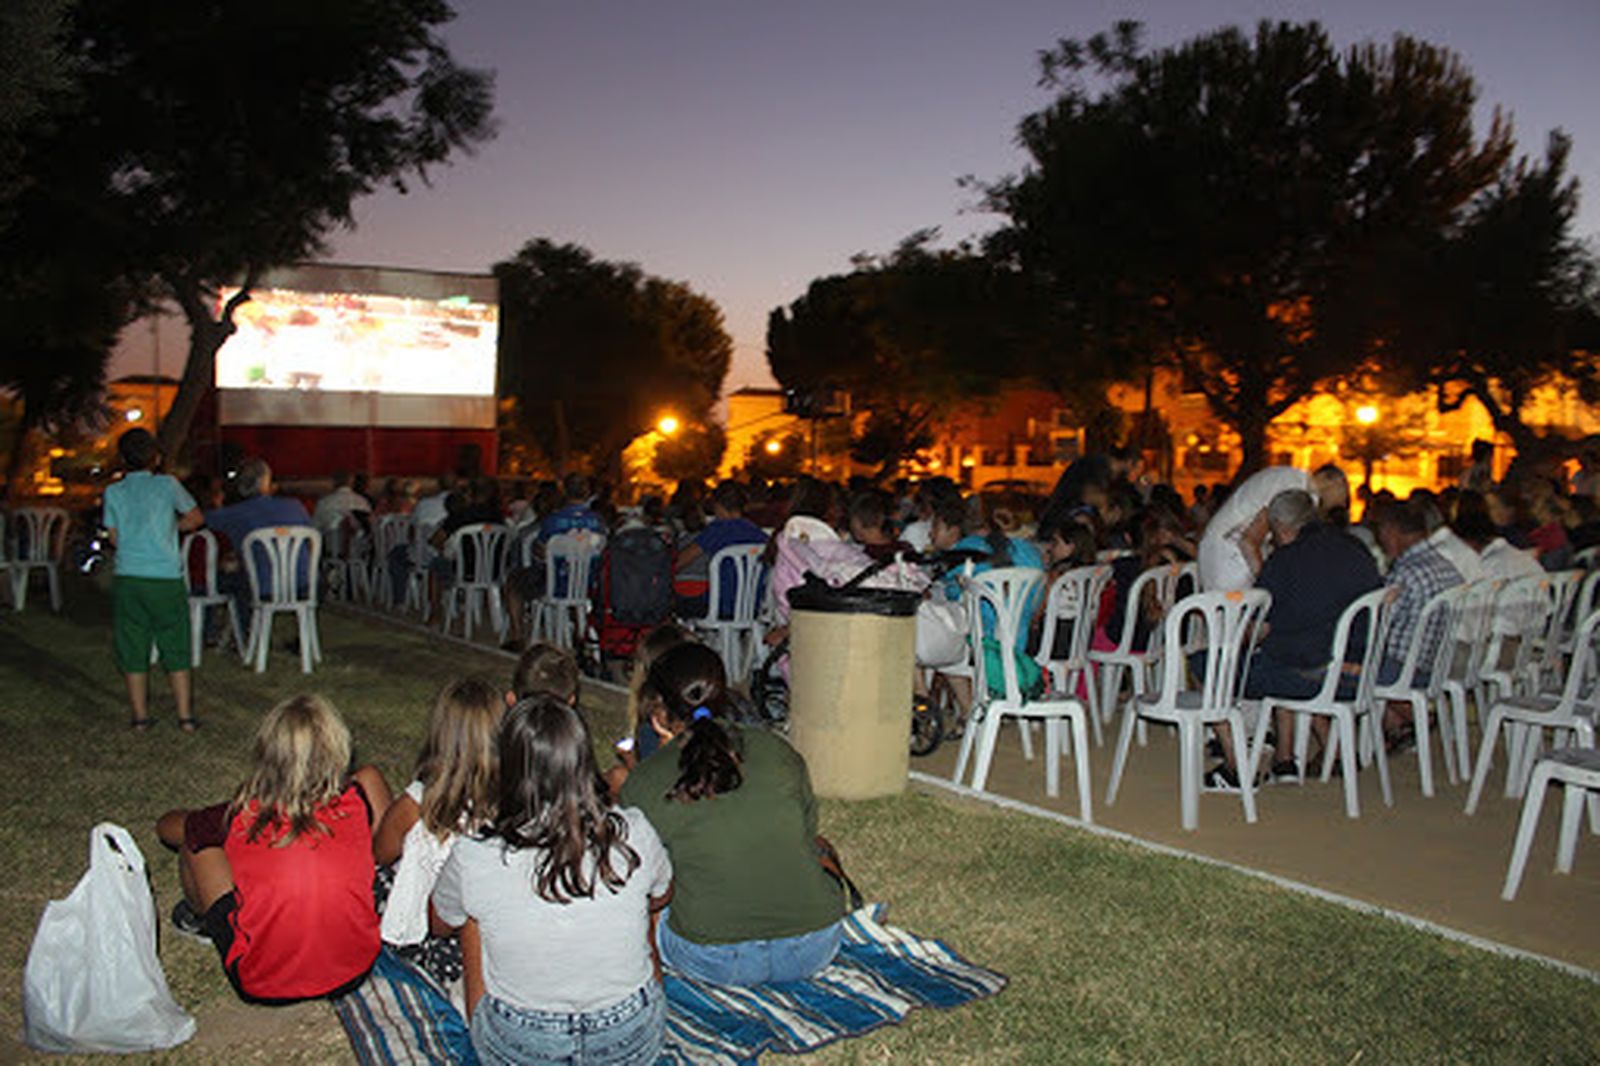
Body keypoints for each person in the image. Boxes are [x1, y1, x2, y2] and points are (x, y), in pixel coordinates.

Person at [433, 695, 671, 1065]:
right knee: (639, 907)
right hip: (630, 1034)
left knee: (473, 918)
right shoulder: (634, 831)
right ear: (582, 760)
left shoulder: (475, 853)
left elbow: (441, 922)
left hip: (520, 1039)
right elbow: (661, 896)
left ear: (508, 768)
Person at [619, 643, 846, 985]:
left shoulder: (644, 781)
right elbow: (809, 836)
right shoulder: (778, 751)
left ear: (660, 715)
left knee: (645, 899)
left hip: (713, 958)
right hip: (814, 946)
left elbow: (643, 878)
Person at [156, 695, 392, 1003]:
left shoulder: (242, 815)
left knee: (199, 845)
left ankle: (198, 919)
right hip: (354, 969)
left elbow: (166, 828)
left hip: (263, 983)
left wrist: (202, 821)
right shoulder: (358, 798)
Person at [1202, 490, 1382, 790]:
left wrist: (1229, 638)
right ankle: (1286, 759)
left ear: (1282, 529)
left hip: (1313, 676)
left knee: (1210, 665)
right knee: (1284, 650)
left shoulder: (1286, 560)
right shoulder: (1354, 547)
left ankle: (1235, 770)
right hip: (1362, 673)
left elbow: (1258, 627)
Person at [372, 678, 504, 991]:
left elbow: (379, 854)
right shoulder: (518, 803)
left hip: (435, 942)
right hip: (494, 942)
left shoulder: (416, 803)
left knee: (380, 874)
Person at [102, 428, 204, 731]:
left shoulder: (113, 492)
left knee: (132, 644)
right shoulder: (167, 485)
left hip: (129, 577)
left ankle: (140, 717)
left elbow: (114, 537)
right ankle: (185, 716)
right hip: (164, 577)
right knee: (175, 641)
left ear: (122, 458)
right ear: (156, 458)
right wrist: (170, 529)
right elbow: (196, 518)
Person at [1370, 498, 1463, 747]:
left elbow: (1377, 626)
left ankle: (1417, 717)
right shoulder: (1448, 568)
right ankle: (1397, 729)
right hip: (1435, 664)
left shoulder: (1406, 573)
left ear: (1391, 532)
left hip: (1404, 668)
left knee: (1340, 665)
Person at [1197, 464, 1349, 591]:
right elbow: (1249, 541)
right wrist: (1268, 584)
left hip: (1233, 550)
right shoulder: (1291, 486)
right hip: (1228, 553)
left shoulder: (1296, 483)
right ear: (1333, 482)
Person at [204, 457, 313, 621]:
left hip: (262, 587)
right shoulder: (295, 506)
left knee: (218, 578)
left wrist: (216, 502)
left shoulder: (233, 513)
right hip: (304, 585)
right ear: (265, 481)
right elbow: (311, 542)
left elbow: (200, 521)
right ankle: (301, 635)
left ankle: (242, 633)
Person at [672, 480, 767, 618]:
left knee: (673, 604)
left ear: (719, 507)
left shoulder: (717, 530)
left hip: (717, 606)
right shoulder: (759, 534)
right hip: (752, 607)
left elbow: (681, 561)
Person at [312, 470, 372, 538]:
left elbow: (315, 529)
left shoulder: (324, 503)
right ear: (351, 482)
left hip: (330, 544)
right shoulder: (363, 502)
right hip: (357, 545)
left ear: (333, 482)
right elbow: (368, 527)